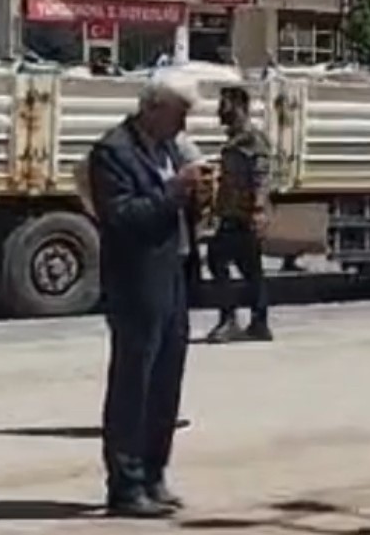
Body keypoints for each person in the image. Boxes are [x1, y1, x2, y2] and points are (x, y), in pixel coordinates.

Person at [87, 72, 206, 518]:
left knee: (166, 382)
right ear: (154, 108)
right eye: (180, 115)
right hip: (136, 280)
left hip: (173, 272)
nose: (184, 126)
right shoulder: (113, 152)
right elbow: (123, 217)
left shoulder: (169, 148)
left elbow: (173, 211)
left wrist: (197, 197)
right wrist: (176, 191)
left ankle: (154, 474)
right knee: (133, 383)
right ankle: (125, 483)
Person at [205, 85, 274, 343]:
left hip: (244, 215)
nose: (219, 111)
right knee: (249, 269)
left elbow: (261, 177)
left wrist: (257, 210)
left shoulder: (251, 139)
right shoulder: (235, 139)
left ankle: (230, 320)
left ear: (240, 106)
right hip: (232, 213)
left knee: (219, 261)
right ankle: (258, 322)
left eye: (224, 105)